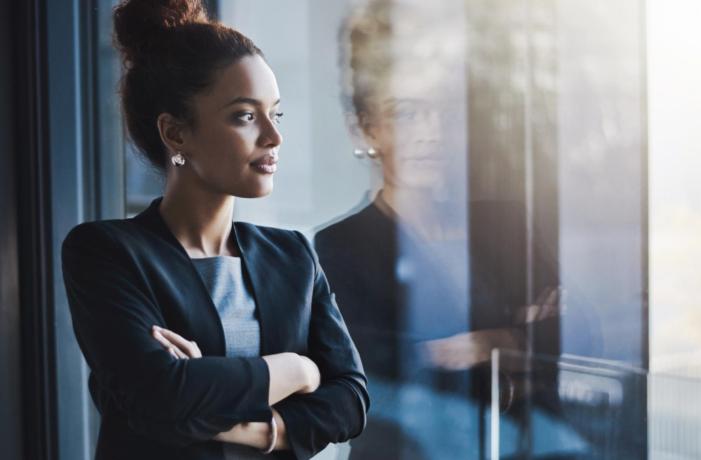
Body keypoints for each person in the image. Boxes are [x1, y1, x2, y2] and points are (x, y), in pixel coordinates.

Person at [60, 1, 368, 459]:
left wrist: (254, 426)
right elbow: (160, 396)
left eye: (275, 114)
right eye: (245, 115)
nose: (273, 136)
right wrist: (298, 369)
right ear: (176, 134)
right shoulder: (106, 252)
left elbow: (351, 401)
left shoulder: (293, 256)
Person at [315, 1, 600, 458]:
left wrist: (488, 344)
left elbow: (581, 329)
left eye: (442, 113)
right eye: (407, 114)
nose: (431, 133)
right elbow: (382, 377)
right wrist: (520, 344)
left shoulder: (503, 222)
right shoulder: (340, 247)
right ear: (365, 130)